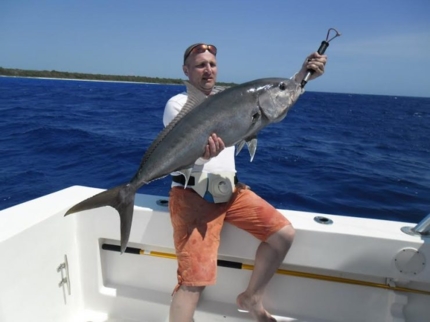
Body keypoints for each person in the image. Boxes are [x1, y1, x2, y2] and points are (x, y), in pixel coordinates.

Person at [163, 43, 327, 322]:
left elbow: (274, 102)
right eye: (201, 65)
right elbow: (182, 155)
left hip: (232, 192)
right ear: (186, 70)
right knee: (194, 281)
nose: (208, 69)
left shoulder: (230, 100)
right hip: (193, 197)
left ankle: (251, 298)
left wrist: (303, 74)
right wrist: (202, 156)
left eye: (212, 64)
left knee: (282, 235)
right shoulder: (178, 104)